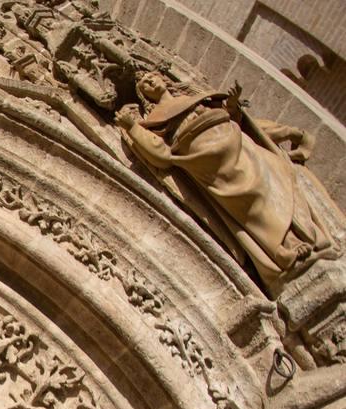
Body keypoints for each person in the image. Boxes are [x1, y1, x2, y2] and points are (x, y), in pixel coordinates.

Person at [116, 71, 334, 282]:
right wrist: (133, 127)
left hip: (237, 142)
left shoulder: (191, 96)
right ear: (144, 95)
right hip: (208, 160)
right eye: (145, 83)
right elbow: (161, 155)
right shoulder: (153, 120)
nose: (150, 81)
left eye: (151, 77)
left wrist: (232, 103)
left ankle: (300, 236)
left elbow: (232, 117)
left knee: (274, 181)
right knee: (250, 199)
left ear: (162, 78)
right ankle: (281, 248)